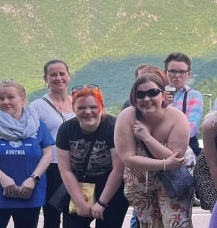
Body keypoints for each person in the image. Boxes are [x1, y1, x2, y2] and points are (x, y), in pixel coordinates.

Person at [115, 73, 195, 228]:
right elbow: (128, 158)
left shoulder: (177, 118)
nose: (146, 99)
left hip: (174, 178)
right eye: (141, 94)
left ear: (163, 94)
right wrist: (164, 164)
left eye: (152, 92)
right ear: (134, 97)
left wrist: (147, 138)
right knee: (149, 225)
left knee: (176, 224)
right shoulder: (127, 117)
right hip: (141, 182)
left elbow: (175, 160)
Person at [0, 80, 54, 228]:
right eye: (1, 98)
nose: (5, 102)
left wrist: (33, 179)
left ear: (22, 99)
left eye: (11, 97)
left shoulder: (38, 124)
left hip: (29, 195)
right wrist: (3, 178)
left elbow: (47, 155)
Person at [57, 85, 128, 227]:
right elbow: (66, 170)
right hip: (79, 186)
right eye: (82, 108)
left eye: (93, 107)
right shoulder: (66, 129)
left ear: (101, 106)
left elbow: (118, 170)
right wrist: (80, 203)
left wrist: (102, 203)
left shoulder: (113, 127)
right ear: (74, 108)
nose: (88, 112)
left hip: (111, 188)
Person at [29, 59, 76, 228]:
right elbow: (32, 139)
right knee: (52, 214)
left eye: (62, 73)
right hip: (52, 167)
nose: (58, 78)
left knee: (75, 214)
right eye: (53, 75)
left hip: (78, 166)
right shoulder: (37, 106)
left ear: (69, 76)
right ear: (45, 79)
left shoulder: (77, 101)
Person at [164, 52, 204, 156]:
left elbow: (191, 128)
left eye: (181, 72)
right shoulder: (156, 95)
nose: (177, 76)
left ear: (188, 74)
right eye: (172, 71)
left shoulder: (194, 96)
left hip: (187, 148)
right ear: (165, 72)